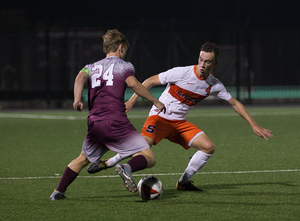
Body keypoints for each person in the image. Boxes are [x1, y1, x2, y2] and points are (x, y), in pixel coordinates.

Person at [88, 42, 273, 191]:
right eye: (201, 59)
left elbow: (234, 103)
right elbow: (150, 81)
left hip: (179, 123)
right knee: (142, 145)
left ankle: (184, 182)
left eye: (207, 62)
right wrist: (132, 101)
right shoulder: (182, 72)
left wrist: (253, 125)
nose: (202, 64)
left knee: (208, 147)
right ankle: (112, 163)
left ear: (214, 63)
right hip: (159, 118)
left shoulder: (214, 85)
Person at [49, 29, 166, 200]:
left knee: (82, 159)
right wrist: (155, 101)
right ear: (120, 48)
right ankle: (127, 168)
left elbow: (79, 78)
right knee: (149, 157)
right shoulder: (124, 66)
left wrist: (77, 99)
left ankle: (58, 192)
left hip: (95, 124)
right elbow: (133, 84)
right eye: (124, 50)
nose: (124, 54)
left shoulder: (91, 67)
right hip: (116, 122)